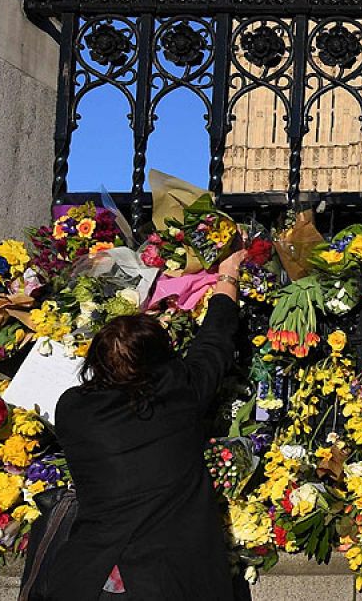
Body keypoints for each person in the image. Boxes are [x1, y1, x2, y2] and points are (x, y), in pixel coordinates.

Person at [32, 250, 249, 600]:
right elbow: (214, 341)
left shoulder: (73, 409)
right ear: (161, 361)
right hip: (166, 583)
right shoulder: (180, 393)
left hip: (86, 580)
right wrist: (227, 274)